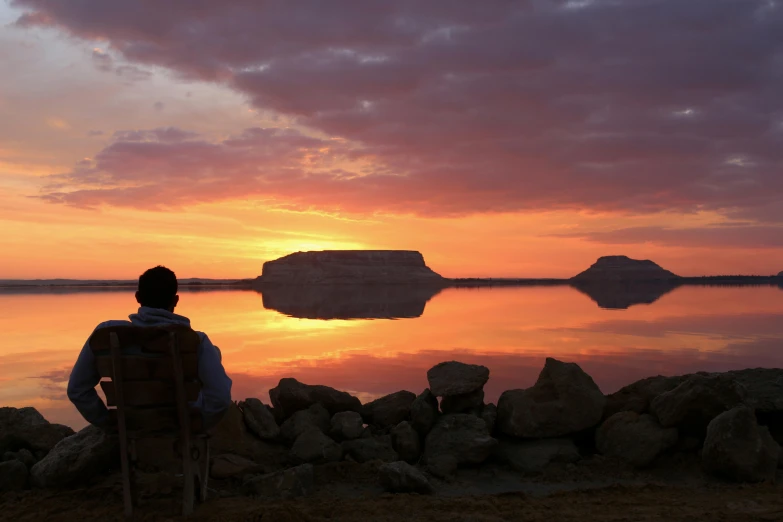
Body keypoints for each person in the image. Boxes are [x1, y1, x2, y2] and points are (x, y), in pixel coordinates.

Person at [67, 266, 233, 430]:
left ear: (138, 297)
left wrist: (110, 423)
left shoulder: (107, 334)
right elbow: (220, 398)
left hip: (130, 425)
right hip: (180, 426)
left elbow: (77, 389)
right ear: (175, 300)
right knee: (213, 353)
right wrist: (197, 426)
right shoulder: (196, 341)